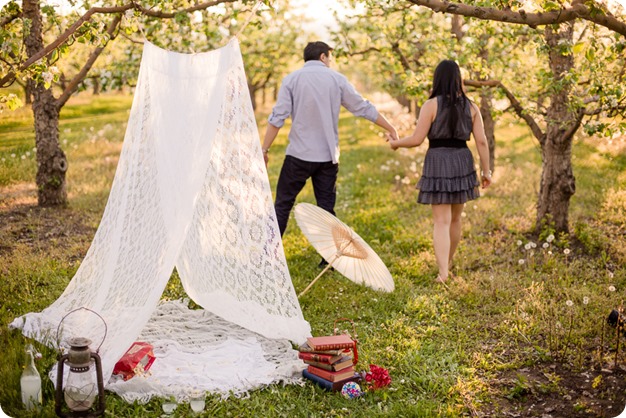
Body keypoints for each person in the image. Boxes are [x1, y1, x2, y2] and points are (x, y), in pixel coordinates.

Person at [262, 41, 398, 251]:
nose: (330, 62)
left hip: (298, 155)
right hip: (327, 158)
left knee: (282, 205)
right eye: (330, 58)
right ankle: (329, 259)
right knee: (326, 209)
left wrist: (264, 149)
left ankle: (270, 254)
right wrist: (390, 127)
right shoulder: (336, 79)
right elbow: (362, 107)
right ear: (323, 57)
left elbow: (277, 117)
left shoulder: (291, 79)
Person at [388, 60, 492, 283]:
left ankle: (443, 272)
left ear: (437, 79)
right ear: (459, 79)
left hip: (438, 160)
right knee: (455, 219)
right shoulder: (472, 107)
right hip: (462, 160)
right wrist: (487, 171)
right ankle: (448, 264)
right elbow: (482, 142)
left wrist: (396, 144)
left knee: (441, 221)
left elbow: (416, 140)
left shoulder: (430, 105)